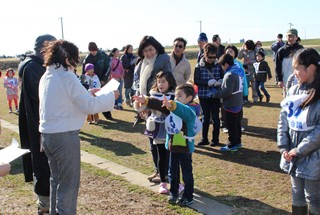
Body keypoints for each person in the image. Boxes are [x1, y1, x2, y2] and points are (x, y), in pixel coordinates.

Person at [39, 39, 119, 215]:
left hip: (47, 135)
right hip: (64, 137)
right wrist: (111, 96)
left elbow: (62, 101)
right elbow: (90, 107)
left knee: (56, 180)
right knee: (68, 185)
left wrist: (88, 94)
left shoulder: (47, 76)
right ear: (68, 58)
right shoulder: (67, 76)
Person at [277, 48, 320, 215]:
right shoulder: (294, 90)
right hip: (292, 155)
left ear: (310, 68)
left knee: (313, 197)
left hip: (313, 157)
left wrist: (299, 150)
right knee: (297, 193)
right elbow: (283, 119)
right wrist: (284, 146)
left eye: (297, 68)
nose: (294, 73)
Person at [18, 34, 56, 214]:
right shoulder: (33, 68)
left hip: (38, 124)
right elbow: (41, 101)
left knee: (44, 164)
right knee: (42, 165)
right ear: (44, 49)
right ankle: (45, 205)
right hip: (39, 126)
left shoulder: (32, 66)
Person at [133, 35, 172, 183]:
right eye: (145, 50)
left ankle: (166, 172)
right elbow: (137, 85)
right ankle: (158, 170)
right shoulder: (141, 64)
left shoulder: (163, 60)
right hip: (144, 105)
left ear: (156, 48)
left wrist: (151, 103)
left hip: (159, 107)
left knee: (162, 142)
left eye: (151, 49)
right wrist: (141, 106)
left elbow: (168, 84)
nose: (149, 53)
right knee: (152, 140)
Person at [133, 71, 176, 194]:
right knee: (161, 155)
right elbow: (143, 108)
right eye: (159, 81)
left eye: (163, 81)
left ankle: (174, 181)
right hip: (157, 130)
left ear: (170, 82)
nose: (160, 84)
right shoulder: (152, 95)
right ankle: (163, 182)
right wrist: (139, 103)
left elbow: (167, 109)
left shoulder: (174, 96)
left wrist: (148, 101)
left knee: (173, 157)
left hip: (172, 130)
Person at [162, 83, 200, 207]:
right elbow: (160, 106)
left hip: (185, 148)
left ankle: (188, 196)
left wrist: (172, 104)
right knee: (172, 171)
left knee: (187, 173)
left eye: (180, 96)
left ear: (189, 98)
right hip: (173, 146)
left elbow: (183, 111)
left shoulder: (191, 110)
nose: (176, 98)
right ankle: (173, 193)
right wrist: (146, 101)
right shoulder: (173, 108)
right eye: (175, 96)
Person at [208, 54, 243, 152]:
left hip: (231, 103)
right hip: (238, 102)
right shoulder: (237, 71)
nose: (222, 68)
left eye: (222, 66)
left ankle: (232, 144)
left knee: (231, 125)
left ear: (226, 64)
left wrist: (215, 94)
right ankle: (238, 141)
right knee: (237, 124)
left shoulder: (230, 74)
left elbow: (227, 91)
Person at [194, 43, 224, 146]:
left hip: (215, 95)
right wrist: (207, 82)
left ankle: (215, 139)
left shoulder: (219, 65)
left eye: (214, 57)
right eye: (209, 57)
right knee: (205, 117)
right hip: (203, 95)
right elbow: (196, 80)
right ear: (205, 55)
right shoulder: (198, 66)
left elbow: (223, 77)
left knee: (216, 118)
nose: (212, 59)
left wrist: (220, 81)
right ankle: (204, 138)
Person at [82, 42, 113, 120]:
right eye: (91, 51)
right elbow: (83, 71)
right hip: (91, 83)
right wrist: (83, 82)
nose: (92, 53)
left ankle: (108, 115)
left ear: (96, 49)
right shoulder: (88, 58)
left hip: (102, 81)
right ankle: (91, 117)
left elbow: (108, 68)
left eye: (94, 51)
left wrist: (103, 79)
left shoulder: (104, 56)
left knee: (104, 98)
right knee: (91, 99)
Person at [275, 28, 304, 97]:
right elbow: (278, 66)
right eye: (289, 36)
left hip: (300, 79)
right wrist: (279, 80)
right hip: (286, 79)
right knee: (287, 99)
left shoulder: (301, 49)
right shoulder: (281, 51)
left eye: (293, 36)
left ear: (296, 37)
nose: (290, 38)